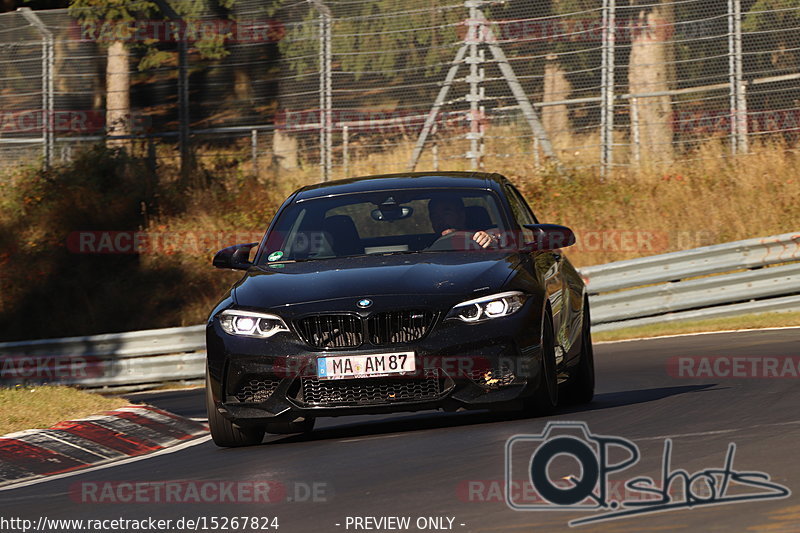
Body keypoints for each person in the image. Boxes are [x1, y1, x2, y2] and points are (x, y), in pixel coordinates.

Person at [427, 196, 498, 248]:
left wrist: (490, 237)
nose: (440, 220)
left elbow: (501, 233)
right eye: (434, 216)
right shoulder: (423, 247)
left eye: (446, 214)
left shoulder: (479, 238)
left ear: (461, 215)